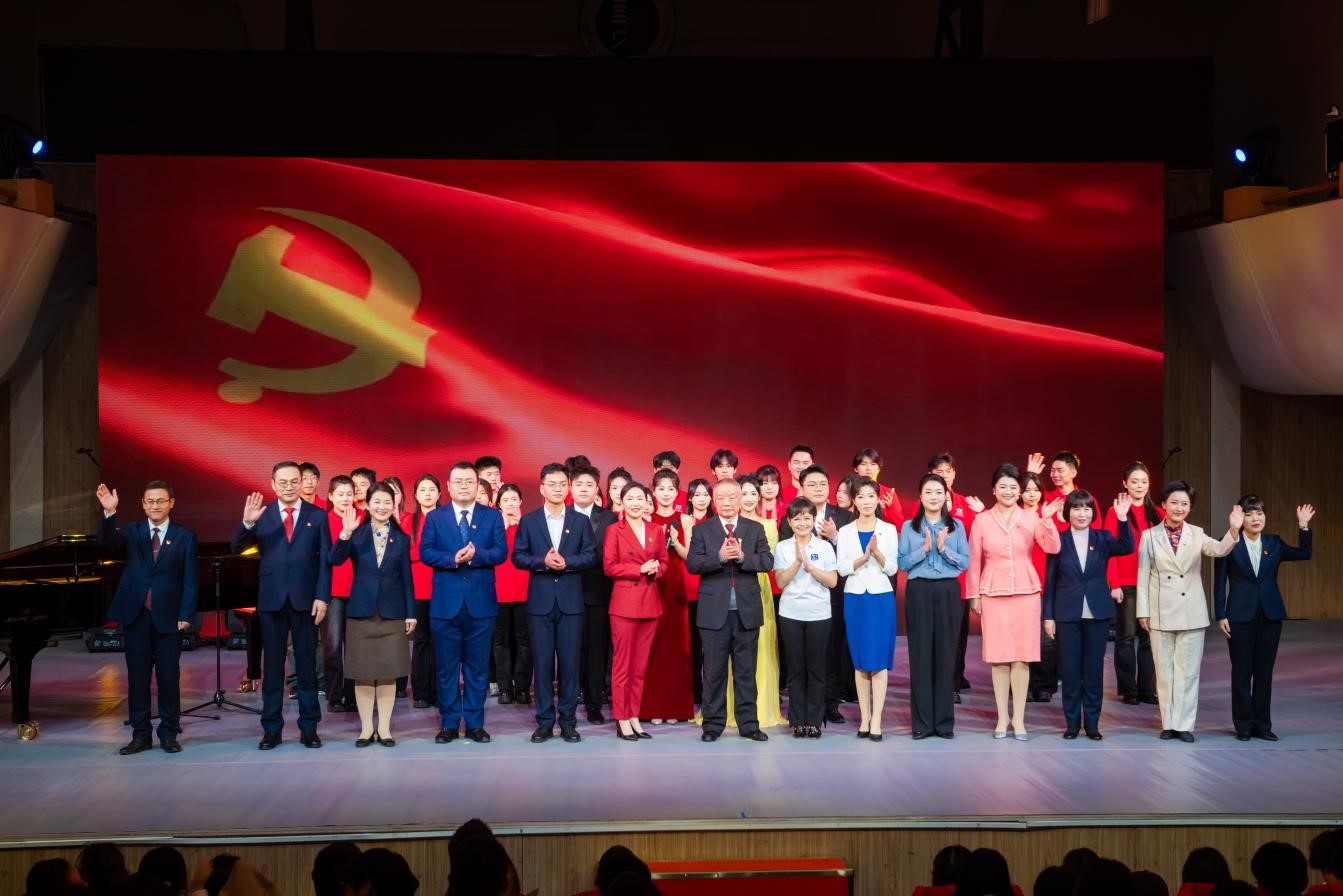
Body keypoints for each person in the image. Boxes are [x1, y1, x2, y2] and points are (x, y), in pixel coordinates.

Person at [233, 460, 331, 749]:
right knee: (273, 668)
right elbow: (236, 548)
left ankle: (309, 728)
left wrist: (322, 596)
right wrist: (247, 523)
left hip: (306, 600)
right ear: (273, 484)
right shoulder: (262, 515)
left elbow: (325, 561)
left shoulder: (318, 515)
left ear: (302, 483)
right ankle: (271, 729)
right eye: (283, 482)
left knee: (306, 667)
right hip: (271, 600)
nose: (289, 487)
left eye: (294, 481)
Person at [96, 481, 198, 755]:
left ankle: (169, 734)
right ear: (143, 504)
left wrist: (187, 614)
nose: (155, 505)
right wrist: (109, 513)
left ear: (171, 503)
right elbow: (109, 543)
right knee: (137, 679)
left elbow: (190, 579)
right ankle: (140, 735)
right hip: (136, 616)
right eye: (150, 501)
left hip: (169, 617)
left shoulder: (184, 536)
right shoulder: (132, 531)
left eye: (160, 501)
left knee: (169, 678)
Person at [1137, 480, 1242, 742]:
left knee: (1188, 672)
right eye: (1174, 502)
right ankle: (1168, 723)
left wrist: (1233, 529)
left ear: (1190, 507)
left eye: (1184, 503)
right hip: (1160, 610)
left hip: (1191, 611)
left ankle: (1183, 725)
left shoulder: (1197, 533)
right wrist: (1143, 611)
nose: (1179, 508)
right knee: (1164, 672)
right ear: (1163, 504)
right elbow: (1143, 576)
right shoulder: (1149, 536)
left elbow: (1219, 550)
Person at [966, 464, 1063, 740]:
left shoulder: (1032, 518)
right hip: (993, 592)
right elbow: (974, 560)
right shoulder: (982, 520)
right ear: (993, 490)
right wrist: (974, 595)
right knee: (999, 658)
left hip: (1026, 592)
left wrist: (1047, 521)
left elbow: (1053, 547)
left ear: (1019, 491)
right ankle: (1002, 718)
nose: (1008, 491)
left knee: (1021, 658)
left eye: (1013, 487)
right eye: (1003, 486)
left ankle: (1019, 719)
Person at [419, 462, 508, 745]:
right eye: (458, 481)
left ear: (478, 485)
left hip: (481, 605)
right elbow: (425, 552)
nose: (464, 486)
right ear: (448, 486)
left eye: (470, 481)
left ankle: (474, 723)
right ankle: (448, 724)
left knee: (477, 668)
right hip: (445, 605)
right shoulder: (436, 517)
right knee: (446, 669)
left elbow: (500, 552)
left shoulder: (492, 516)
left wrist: (475, 555)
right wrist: (451, 559)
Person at [1214, 495, 1314, 741]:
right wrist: (1220, 614)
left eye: (1259, 513)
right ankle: (1244, 726)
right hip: (1239, 616)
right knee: (1241, 673)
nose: (1255, 518)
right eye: (1249, 514)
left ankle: (1262, 725)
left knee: (1264, 673)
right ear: (1240, 518)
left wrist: (1303, 526)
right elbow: (1219, 582)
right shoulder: (1229, 542)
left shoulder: (1274, 542)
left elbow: (1304, 554)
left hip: (1270, 616)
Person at [513, 462, 598, 744]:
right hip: (540, 603)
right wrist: (543, 562)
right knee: (543, 664)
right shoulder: (529, 521)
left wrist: (567, 562)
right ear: (542, 488)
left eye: (563, 484)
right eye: (552, 484)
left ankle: (569, 721)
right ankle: (545, 721)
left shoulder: (580, 521)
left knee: (570, 664)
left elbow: (591, 555)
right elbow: (518, 556)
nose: (558, 489)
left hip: (571, 603)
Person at [328, 482, 417, 746]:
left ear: (394, 505)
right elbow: (334, 559)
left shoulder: (401, 538)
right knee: (364, 673)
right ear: (367, 504)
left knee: (388, 673)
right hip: (361, 611)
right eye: (377, 501)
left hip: (392, 613)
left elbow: (407, 580)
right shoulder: (356, 534)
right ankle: (367, 729)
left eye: (387, 502)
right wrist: (345, 532)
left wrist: (411, 613)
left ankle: (385, 729)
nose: (382, 506)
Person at [687, 478, 774, 742]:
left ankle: (749, 724)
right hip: (713, 612)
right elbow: (693, 564)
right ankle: (712, 726)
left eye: (731, 497)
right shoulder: (702, 530)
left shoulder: (754, 528)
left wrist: (743, 557)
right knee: (713, 672)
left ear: (740, 499)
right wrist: (720, 557)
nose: (726, 503)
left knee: (746, 671)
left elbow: (767, 561)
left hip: (747, 611)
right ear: (714, 501)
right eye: (721, 498)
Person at [1043, 491, 1134, 740]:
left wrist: (1122, 519)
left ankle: (1092, 724)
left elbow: (1127, 547)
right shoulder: (1058, 540)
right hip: (1066, 613)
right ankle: (1072, 724)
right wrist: (1048, 615)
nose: (1082, 514)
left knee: (1093, 670)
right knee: (1070, 671)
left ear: (1093, 513)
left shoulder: (1102, 538)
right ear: (1067, 512)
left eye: (1086, 509)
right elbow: (1050, 581)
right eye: (1076, 508)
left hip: (1097, 613)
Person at [779, 464, 855, 723]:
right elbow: (784, 554)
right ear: (802, 488)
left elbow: (852, 555)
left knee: (831, 654)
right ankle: (801, 714)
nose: (818, 488)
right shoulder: (791, 517)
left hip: (833, 595)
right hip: (797, 601)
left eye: (823, 484)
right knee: (800, 661)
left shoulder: (844, 517)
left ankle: (829, 706)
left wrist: (835, 537)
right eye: (811, 484)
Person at [898, 473, 970, 740]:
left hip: (948, 591)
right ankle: (922, 723)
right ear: (920, 496)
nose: (934, 497)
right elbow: (902, 563)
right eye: (928, 492)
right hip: (919, 591)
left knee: (946, 655)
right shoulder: (909, 527)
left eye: (939, 492)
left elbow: (964, 562)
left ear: (946, 496)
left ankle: (944, 723)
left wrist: (944, 548)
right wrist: (925, 550)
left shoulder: (956, 526)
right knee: (920, 655)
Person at [836, 477, 900, 740]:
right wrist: (863, 558)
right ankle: (864, 718)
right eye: (860, 496)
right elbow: (842, 568)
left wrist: (877, 554)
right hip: (855, 598)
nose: (866, 502)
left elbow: (893, 568)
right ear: (854, 500)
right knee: (861, 662)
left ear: (877, 500)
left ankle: (877, 720)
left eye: (870, 496)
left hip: (880, 598)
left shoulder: (889, 530)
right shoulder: (845, 531)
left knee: (879, 662)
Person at [603, 482, 669, 740]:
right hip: (624, 605)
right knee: (623, 666)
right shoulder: (614, 530)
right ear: (622, 501)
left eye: (640, 498)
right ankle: (621, 718)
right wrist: (638, 569)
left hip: (650, 604)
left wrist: (657, 569)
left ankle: (634, 716)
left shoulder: (655, 530)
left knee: (640, 668)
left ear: (647, 502)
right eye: (630, 498)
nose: (635, 503)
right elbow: (609, 566)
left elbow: (664, 562)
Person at [773, 497, 838, 737]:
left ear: (814, 520)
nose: (802, 523)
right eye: (797, 518)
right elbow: (780, 582)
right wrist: (797, 563)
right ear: (790, 522)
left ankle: (814, 720)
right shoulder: (782, 547)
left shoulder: (824, 547)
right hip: (790, 613)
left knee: (816, 668)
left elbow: (833, 581)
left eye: (807, 518)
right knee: (795, 668)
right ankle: (798, 720)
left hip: (819, 614)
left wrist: (811, 568)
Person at [928, 452, 984, 703]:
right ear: (930, 475)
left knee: (958, 635)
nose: (944, 475)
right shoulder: (924, 504)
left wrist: (981, 513)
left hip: (959, 582)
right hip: (932, 580)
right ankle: (938, 681)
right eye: (938, 471)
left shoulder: (965, 503)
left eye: (948, 471)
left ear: (954, 474)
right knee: (936, 634)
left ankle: (955, 679)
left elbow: (977, 541)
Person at [1107, 462, 1164, 706]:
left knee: (1150, 638)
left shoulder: (1159, 513)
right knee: (1126, 637)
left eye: (1144, 482)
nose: (1139, 486)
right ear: (1125, 484)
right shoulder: (1115, 512)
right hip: (1127, 583)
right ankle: (1129, 689)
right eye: (1134, 481)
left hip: (1152, 584)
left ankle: (1146, 690)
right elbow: (1110, 550)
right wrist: (1114, 583)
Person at [645, 469, 693, 722]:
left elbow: (690, 557)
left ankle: (675, 708)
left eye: (671, 489)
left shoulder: (685, 520)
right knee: (653, 645)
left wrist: (675, 542)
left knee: (676, 645)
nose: (665, 493)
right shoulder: (646, 518)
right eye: (661, 488)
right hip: (652, 584)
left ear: (677, 492)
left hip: (676, 586)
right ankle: (653, 708)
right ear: (653, 491)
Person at [572, 465, 619, 724]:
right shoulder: (562, 515)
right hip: (566, 592)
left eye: (589, 485)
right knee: (569, 649)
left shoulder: (610, 518)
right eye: (579, 484)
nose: (584, 489)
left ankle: (593, 704)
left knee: (596, 650)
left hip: (599, 592)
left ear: (597, 489)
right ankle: (568, 702)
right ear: (571, 487)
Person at [321, 475, 360, 714]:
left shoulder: (362, 518)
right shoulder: (323, 520)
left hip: (358, 591)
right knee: (333, 646)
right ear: (330, 496)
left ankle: (354, 696)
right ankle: (334, 695)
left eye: (349, 494)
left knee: (355, 647)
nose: (346, 499)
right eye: (341, 494)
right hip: (333, 591)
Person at [493, 484, 531, 705]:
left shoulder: (529, 525)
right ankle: (505, 687)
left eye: (514, 499)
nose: (510, 504)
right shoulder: (494, 526)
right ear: (498, 504)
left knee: (525, 641)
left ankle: (523, 687)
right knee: (501, 641)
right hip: (498, 591)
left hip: (525, 591)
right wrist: (504, 527)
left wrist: (518, 525)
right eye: (505, 500)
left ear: (520, 502)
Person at [407, 474, 441, 708]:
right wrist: (429, 553)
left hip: (443, 588)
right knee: (420, 641)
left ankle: (439, 691)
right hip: (417, 589)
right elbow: (405, 553)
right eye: (422, 490)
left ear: (440, 493)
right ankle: (420, 692)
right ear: (416, 495)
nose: (427, 494)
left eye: (432, 489)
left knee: (441, 643)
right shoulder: (408, 521)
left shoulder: (447, 518)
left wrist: (423, 553)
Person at [678, 477, 713, 704]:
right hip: (687, 588)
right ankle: (692, 689)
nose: (701, 499)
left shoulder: (716, 522)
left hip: (710, 588)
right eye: (697, 495)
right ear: (689, 497)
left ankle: (708, 690)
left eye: (705, 494)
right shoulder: (683, 521)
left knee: (709, 643)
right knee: (690, 643)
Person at [853, 447, 905, 524]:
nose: (868, 468)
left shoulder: (888, 493)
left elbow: (900, 524)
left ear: (879, 468)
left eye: (873, 464)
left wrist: (891, 507)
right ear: (855, 468)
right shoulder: (850, 490)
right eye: (863, 464)